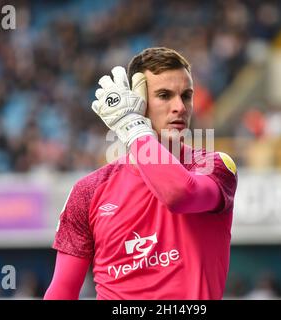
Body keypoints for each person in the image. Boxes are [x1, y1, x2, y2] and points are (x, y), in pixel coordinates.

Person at [44, 47, 238, 300]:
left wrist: (133, 127)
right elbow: (62, 291)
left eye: (186, 95)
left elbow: (179, 194)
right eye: (164, 95)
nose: (180, 107)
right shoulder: (88, 192)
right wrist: (136, 128)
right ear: (139, 102)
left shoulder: (215, 166)